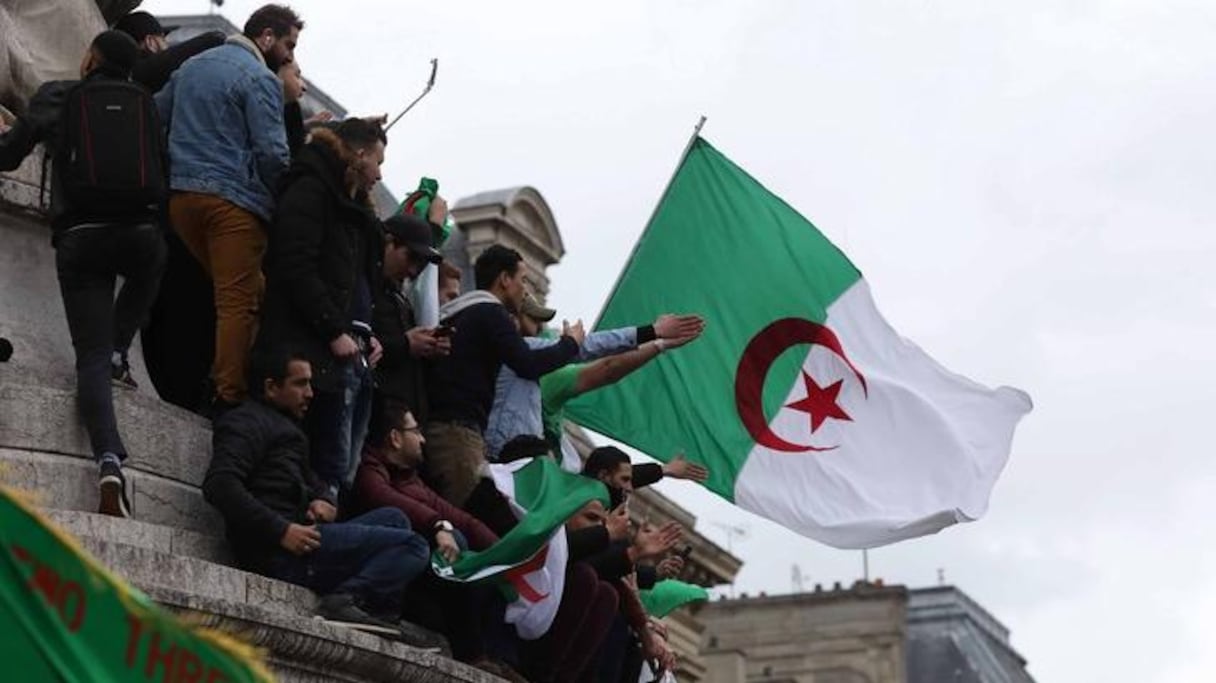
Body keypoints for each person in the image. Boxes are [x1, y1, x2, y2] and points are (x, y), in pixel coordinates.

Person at [0, 30, 167, 519]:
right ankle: (121, 347)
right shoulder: (146, 104)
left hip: (82, 235)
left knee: (88, 356)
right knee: (152, 265)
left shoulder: (60, 95)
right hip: (142, 234)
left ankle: (109, 458)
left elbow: (10, 155)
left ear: (90, 58)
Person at [202, 348, 430, 633]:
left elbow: (315, 482)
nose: (310, 393)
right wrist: (282, 531)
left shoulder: (288, 429)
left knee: (395, 518)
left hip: (303, 537)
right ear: (272, 387)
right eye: (300, 384)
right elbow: (220, 485)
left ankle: (377, 611)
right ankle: (344, 600)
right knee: (414, 546)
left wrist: (325, 499)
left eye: (309, 383)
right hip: (278, 552)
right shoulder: (245, 422)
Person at [155, 3, 301, 411]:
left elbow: (155, 115)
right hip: (233, 204)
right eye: (289, 44)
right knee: (239, 303)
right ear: (267, 38)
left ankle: (223, 380)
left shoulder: (192, 67)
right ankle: (229, 395)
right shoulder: (260, 79)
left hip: (182, 201)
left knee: (246, 291)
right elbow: (273, 155)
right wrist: (284, 205)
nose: (290, 55)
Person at [258, 118, 386, 497]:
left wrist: (366, 331)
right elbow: (295, 262)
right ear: (359, 154)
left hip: (338, 357)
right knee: (312, 465)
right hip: (307, 347)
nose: (380, 174)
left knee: (333, 473)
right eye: (378, 162)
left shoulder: (350, 203)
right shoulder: (312, 188)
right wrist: (333, 329)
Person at [353, 398, 522, 675]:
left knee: (487, 567)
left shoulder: (412, 480)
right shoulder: (370, 469)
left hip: (425, 588)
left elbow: (463, 519)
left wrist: (507, 554)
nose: (423, 439)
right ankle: (472, 655)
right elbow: (385, 498)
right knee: (457, 546)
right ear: (395, 438)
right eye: (416, 431)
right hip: (395, 579)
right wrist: (438, 526)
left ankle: (494, 656)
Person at [423, 245, 585, 507]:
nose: (525, 289)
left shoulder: (463, 312)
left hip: (448, 426)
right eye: (522, 280)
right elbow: (527, 363)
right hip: (457, 433)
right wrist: (571, 344)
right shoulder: (490, 312)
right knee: (464, 512)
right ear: (504, 279)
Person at [485, 296, 703, 464]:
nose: (540, 328)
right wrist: (657, 339)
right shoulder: (543, 371)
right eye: (534, 320)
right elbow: (608, 368)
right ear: (512, 322)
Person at [372, 214, 450, 433]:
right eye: (411, 257)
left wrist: (429, 349)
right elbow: (359, 347)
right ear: (389, 242)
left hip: (404, 421)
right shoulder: (364, 290)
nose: (414, 270)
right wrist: (406, 344)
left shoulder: (398, 296)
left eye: (421, 263)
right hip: (379, 420)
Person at [114, 10, 225, 93]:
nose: (167, 44)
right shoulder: (139, 73)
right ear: (151, 42)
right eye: (163, 39)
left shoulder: (115, 75)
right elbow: (213, 39)